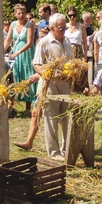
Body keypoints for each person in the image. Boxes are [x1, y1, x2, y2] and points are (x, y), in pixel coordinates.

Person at [33, 13, 73, 161]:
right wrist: (45, 73)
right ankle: (54, 152)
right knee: (51, 118)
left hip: (65, 82)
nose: (63, 31)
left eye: (65, 28)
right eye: (61, 29)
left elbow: (70, 61)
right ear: (52, 28)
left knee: (67, 117)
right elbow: (37, 64)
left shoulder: (67, 41)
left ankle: (66, 149)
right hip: (50, 84)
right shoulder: (44, 43)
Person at [4, 4, 36, 112]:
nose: (21, 15)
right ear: (15, 14)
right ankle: (11, 105)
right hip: (15, 55)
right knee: (14, 76)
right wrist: (1, 51)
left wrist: (17, 53)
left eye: (23, 13)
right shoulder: (13, 24)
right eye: (19, 13)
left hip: (26, 54)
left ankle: (28, 107)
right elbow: (8, 40)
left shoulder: (29, 25)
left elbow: (29, 43)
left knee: (27, 77)